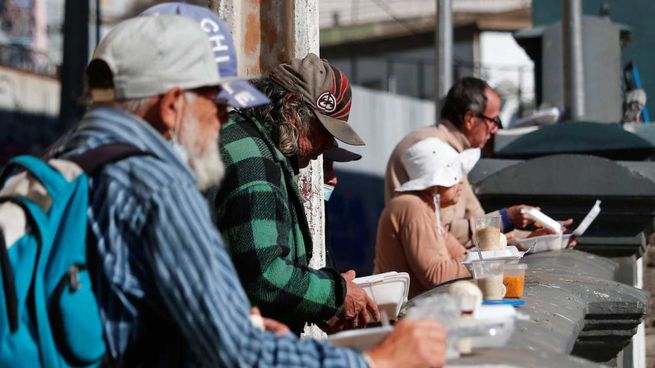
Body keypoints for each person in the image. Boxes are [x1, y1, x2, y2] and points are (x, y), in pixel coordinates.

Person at [54, 12, 446, 367]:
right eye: (216, 101)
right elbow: (235, 348)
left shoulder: (64, 159)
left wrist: (248, 324)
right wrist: (379, 361)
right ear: (173, 105)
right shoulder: (160, 187)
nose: (224, 118)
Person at [213, 53, 380, 335]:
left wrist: (321, 303)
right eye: (322, 130)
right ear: (291, 109)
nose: (328, 143)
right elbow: (264, 276)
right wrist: (336, 296)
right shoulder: (256, 165)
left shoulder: (250, 142)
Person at [384, 77, 535, 247]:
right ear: (470, 119)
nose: (495, 130)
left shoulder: (454, 152)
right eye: (493, 121)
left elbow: (476, 219)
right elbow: (445, 232)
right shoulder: (432, 151)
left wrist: (530, 236)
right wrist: (506, 218)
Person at [376, 138, 479, 297]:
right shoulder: (413, 207)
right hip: (405, 315)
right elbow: (437, 275)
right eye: (455, 178)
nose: (461, 185)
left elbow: (462, 255)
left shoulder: (426, 208)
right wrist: (485, 264)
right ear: (435, 182)